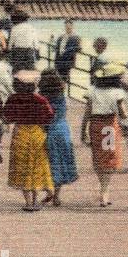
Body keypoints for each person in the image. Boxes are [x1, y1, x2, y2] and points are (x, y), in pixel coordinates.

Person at [2, 69, 54, 211]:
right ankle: (38, 198)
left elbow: (7, 118)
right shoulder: (41, 100)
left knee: (23, 168)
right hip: (37, 134)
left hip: (20, 133)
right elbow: (49, 117)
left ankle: (28, 202)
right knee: (35, 167)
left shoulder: (13, 99)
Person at [81, 64, 128, 207]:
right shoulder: (117, 92)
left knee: (98, 156)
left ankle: (103, 187)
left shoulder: (92, 90)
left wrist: (83, 131)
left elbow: (87, 112)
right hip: (109, 126)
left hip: (95, 125)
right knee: (110, 156)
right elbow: (124, 114)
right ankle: (105, 190)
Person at [38, 68, 78, 208]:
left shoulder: (41, 98)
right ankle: (56, 196)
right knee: (60, 163)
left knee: (45, 163)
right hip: (62, 130)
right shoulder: (62, 97)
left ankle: (49, 191)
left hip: (46, 131)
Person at [54, 19, 82, 83]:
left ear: (72, 27)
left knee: (64, 80)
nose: (67, 28)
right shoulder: (61, 37)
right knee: (58, 79)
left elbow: (79, 49)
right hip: (59, 61)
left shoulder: (76, 37)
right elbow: (57, 50)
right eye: (66, 27)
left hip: (67, 62)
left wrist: (73, 62)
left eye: (69, 27)